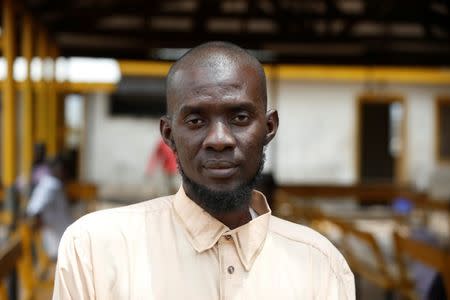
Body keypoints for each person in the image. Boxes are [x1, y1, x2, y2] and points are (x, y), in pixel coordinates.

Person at [53, 42, 355, 299]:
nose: (219, 140)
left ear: (269, 127)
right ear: (169, 134)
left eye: (239, 117)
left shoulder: (320, 265)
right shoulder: (95, 250)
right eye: (196, 120)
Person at [27, 155, 72, 260]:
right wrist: (40, 224)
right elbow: (34, 210)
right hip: (57, 244)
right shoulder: (51, 185)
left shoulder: (49, 183)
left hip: (60, 241)